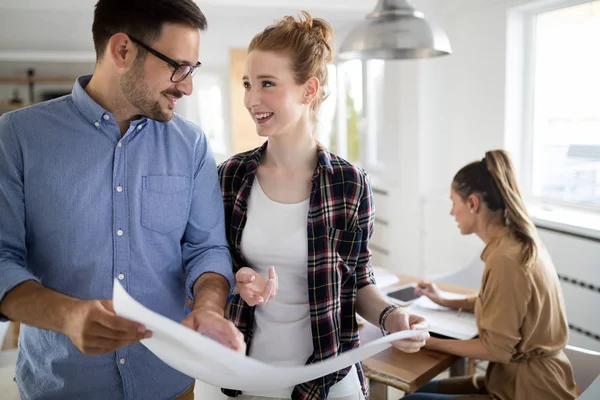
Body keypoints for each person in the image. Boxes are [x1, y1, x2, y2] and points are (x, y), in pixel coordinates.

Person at [0, 1, 244, 399]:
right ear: (122, 50)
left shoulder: (192, 144)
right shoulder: (17, 137)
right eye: (178, 66)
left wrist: (209, 307)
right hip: (62, 388)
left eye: (193, 70)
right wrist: (67, 315)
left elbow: (207, 248)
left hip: (170, 384)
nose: (187, 86)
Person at [217, 11, 430, 400]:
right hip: (243, 374)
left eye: (267, 84)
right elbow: (210, 269)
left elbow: (358, 281)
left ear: (309, 89)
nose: (251, 99)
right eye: (248, 84)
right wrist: (237, 282)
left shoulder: (350, 184)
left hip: (328, 377)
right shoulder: (230, 177)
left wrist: (389, 317)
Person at [402, 150, 578, 400]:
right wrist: (445, 300)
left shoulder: (507, 259)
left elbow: (495, 349)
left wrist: (427, 341)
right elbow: (500, 304)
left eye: (454, 202)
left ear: (472, 204)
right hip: (512, 378)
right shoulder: (515, 244)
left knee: (411, 399)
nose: (452, 212)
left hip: (529, 390)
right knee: (418, 391)